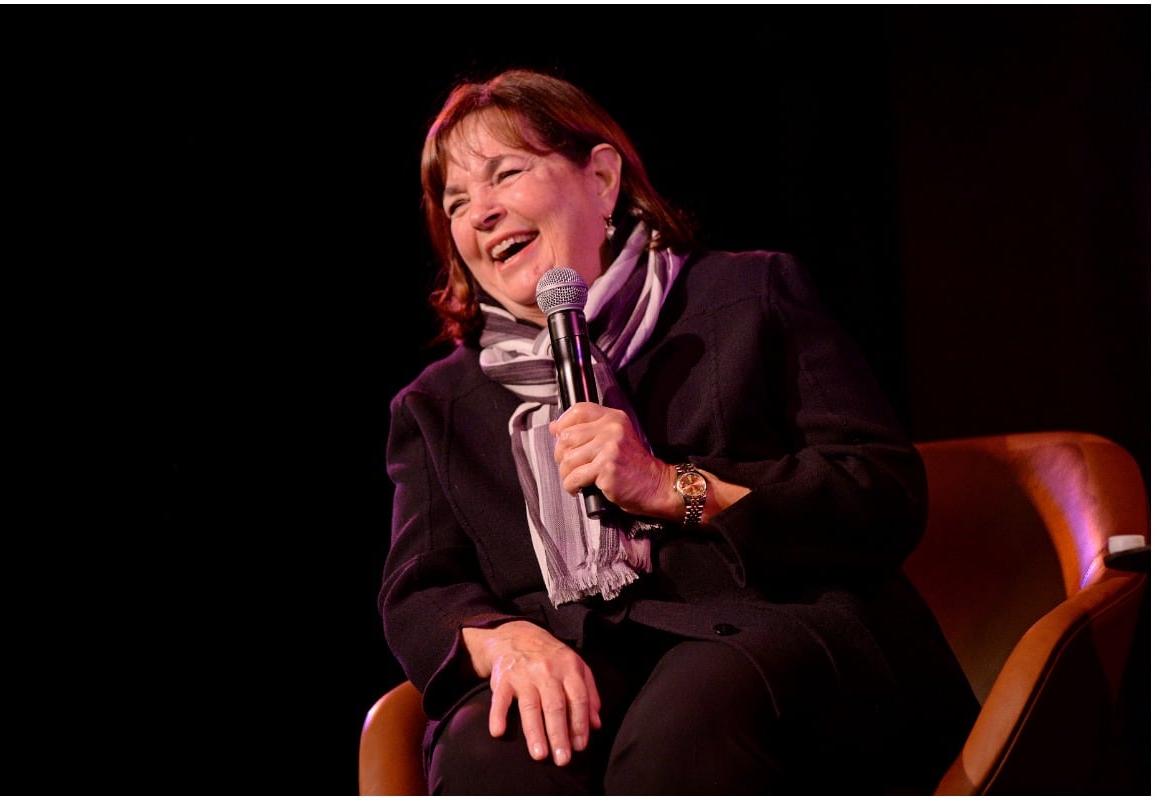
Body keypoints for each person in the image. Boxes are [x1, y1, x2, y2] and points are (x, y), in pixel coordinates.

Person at [378, 67, 980, 795]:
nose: (480, 214)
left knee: (686, 721)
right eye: (456, 204)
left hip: (774, 633)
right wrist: (503, 641)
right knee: (494, 747)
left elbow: (879, 493)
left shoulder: (746, 295)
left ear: (601, 179)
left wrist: (672, 487)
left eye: (505, 174)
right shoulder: (437, 402)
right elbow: (420, 590)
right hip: (585, 654)